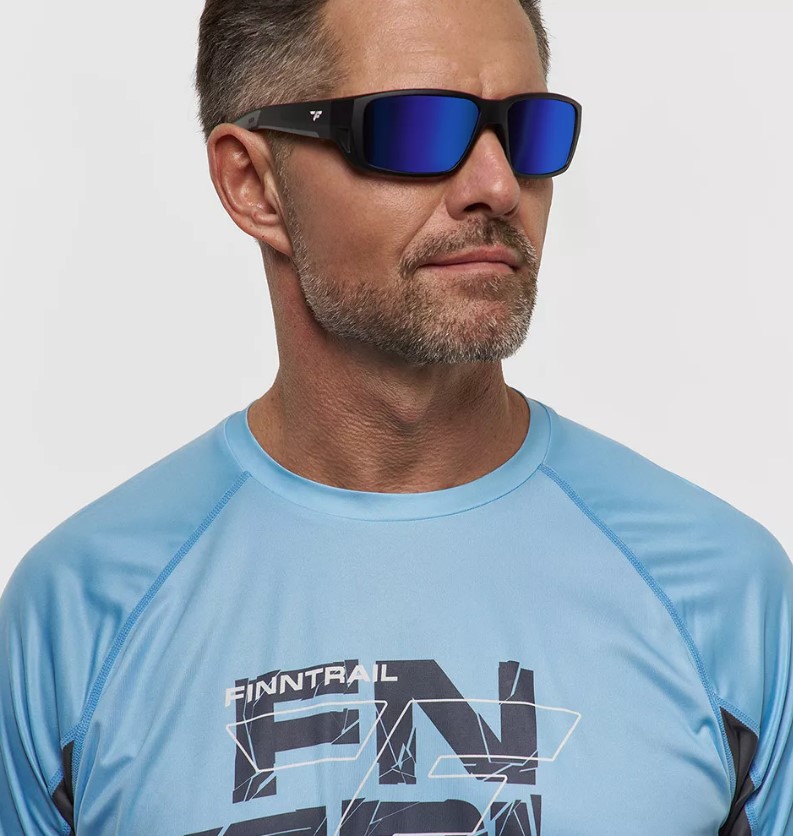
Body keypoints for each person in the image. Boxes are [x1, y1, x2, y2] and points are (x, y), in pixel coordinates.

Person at [1, 0, 791, 832]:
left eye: (527, 132)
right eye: (415, 129)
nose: (496, 187)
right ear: (253, 185)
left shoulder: (720, 595)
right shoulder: (81, 611)